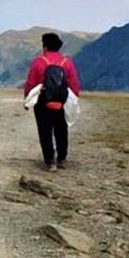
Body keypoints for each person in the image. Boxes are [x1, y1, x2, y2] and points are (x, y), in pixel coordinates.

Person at [23, 32, 81, 172]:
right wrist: (73, 98)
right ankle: (62, 159)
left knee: (45, 131)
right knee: (61, 130)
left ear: (45, 46)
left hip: (43, 101)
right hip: (61, 100)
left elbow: (30, 83)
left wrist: (27, 99)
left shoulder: (38, 62)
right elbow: (73, 82)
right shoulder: (66, 62)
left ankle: (50, 162)